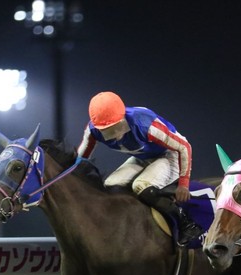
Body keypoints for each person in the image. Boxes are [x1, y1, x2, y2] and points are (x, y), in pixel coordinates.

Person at [76, 91, 203, 246]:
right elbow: (80, 160)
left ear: (123, 116)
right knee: (109, 185)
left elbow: (184, 147)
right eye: (107, 130)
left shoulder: (145, 124)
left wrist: (184, 183)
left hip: (170, 154)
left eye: (117, 126)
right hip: (143, 157)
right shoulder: (92, 130)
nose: (114, 134)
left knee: (141, 185)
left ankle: (186, 223)